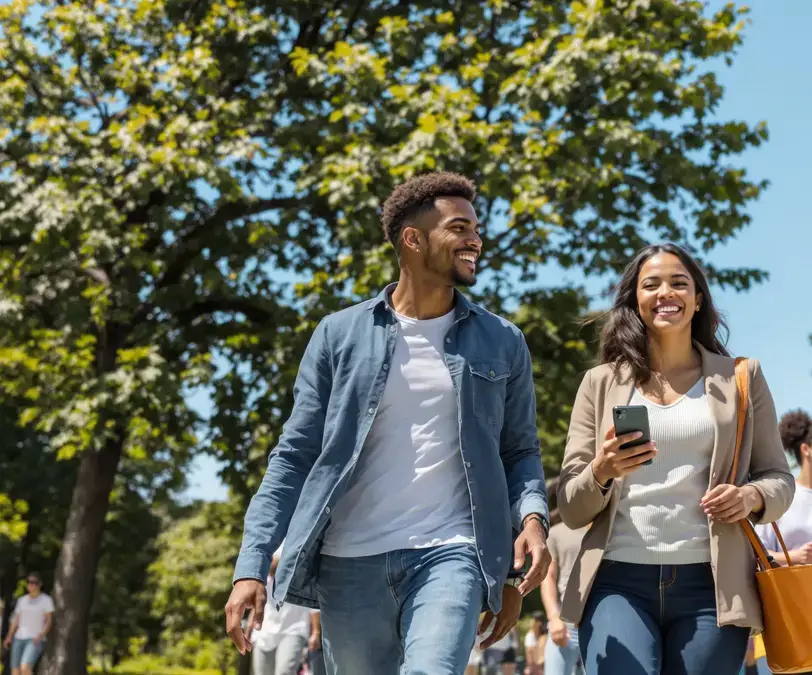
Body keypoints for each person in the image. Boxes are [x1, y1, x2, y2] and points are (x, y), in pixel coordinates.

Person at [225, 172, 552, 674]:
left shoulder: (502, 340)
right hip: (350, 562)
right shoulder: (339, 335)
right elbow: (294, 456)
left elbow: (518, 452)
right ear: (413, 239)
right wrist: (252, 565)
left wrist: (530, 524)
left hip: (451, 553)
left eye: (476, 229)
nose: (475, 241)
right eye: (460, 228)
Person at [556, 243, 795, 675]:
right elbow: (572, 507)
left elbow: (779, 478)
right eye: (651, 285)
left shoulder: (741, 377)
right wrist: (602, 471)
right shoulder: (600, 383)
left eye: (679, 283)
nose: (666, 293)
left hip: (712, 588)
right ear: (635, 300)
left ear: (698, 298)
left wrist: (750, 497)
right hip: (616, 582)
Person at [751, 410, 812, 675]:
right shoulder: (785, 497)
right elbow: (758, 554)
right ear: (805, 449)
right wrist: (795, 557)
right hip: (792, 602)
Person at [252, 547, 319, 675]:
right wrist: (250, 628)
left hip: (294, 629)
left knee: (285, 671)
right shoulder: (265, 582)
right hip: (265, 633)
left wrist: (315, 632)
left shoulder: (301, 579)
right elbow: (257, 606)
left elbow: (313, 607)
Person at [539, 519, 585, 675]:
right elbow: (548, 577)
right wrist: (553, 617)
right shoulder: (555, 533)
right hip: (566, 622)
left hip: (601, 618)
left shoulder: (610, 529)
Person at [3, 573, 52, 675]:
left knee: (25, 668)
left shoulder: (46, 600)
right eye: (29, 582)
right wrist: (9, 636)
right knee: (15, 671)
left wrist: (42, 634)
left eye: (34, 582)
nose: (31, 585)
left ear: (40, 584)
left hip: (34, 639)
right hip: (18, 638)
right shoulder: (22, 600)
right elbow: (16, 620)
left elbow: (48, 621)